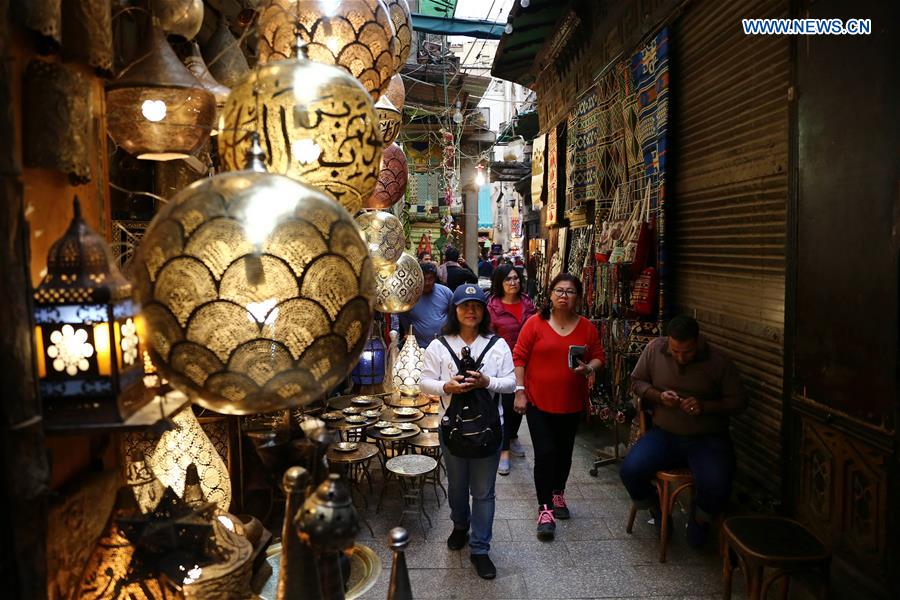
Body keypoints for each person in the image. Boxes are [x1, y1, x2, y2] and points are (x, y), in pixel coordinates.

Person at [619, 315, 747, 547]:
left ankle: (699, 519)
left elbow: (739, 402)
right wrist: (659, 396)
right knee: (630, 471)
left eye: (686, 352)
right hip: (664, 433)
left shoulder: (718, 361)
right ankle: (657, 509)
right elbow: (637, 382)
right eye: (675, 351)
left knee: (718, 484)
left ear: (697, 342)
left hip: (707, 438)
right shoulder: (655, 350)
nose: (680, 357)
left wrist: (705, 406)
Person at [420, 285, 515, 580]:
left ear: (484, 310)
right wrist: (446, 387)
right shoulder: (439, 345)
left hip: (489, 429)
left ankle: (481, 548)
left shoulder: (497, 344)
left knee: (484, 492)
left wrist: (487, 381)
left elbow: (511, 383)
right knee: (458, 487)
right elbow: (424, 382)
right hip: (452, 429)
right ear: (455, 310)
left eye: (476, 305)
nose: (470, 311)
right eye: (464, 305)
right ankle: (460, 524)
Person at [512, 273, 604, 540]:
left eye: (570, 291)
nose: (564, 295)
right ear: (550, 294)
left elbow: (599, 357)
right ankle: (545, 510)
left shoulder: (587, 327)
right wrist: (520, 391)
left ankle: (558, 493)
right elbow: (519, 356)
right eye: (559, 290)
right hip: (538, 401)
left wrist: (588, 368)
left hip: (571, 403)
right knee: (545, 453)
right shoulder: (535, 324)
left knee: (564, 454)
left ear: (578, 297)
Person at [487, 264, 536, 476]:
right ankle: (504, 450)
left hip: (527, 361)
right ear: (500, 282)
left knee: (522, 402)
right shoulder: (493, 306)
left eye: (516, 278)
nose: (513, 282)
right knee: (507, 405)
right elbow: (488, 336)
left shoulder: (527, 303)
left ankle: (513, 435)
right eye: (508, 279)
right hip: (504, 364)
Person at [398, 262, 452, 349]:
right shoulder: (410, 296)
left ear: (435, 278)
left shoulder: (446, 292)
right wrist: (407, 331)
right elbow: (403, 316)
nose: (427, 282)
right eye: (424, 278)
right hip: (419, 347)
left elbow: (454, 313)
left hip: (444, 346)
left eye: (430, 279)